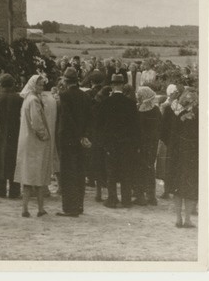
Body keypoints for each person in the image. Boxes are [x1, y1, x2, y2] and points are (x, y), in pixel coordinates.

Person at [98, 73, 140, 209]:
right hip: (127, 144)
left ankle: (112, 199)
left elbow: (101, 125)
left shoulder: (105, 103)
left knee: (111, 172)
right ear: (123, 85)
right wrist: (135, 144)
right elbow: (135, 127)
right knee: (126, 172)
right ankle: (126, 200)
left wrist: (104, 143)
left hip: (111, 144)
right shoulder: (131, 104)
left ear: (111, 85)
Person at [13, 74, 52, 217]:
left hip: (27, 140)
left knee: (28, 176)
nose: (41, 87)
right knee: (38, 175)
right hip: (35, 143)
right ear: (33, 85)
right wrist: (45, 135)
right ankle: (40, 208)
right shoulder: (34, 100)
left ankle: (25, 208)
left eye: (42, 85)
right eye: (39, 85)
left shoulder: (27, 99)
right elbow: (36, 122)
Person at [56, 67, 92, 217]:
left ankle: (70, 208)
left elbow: (67, 119)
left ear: (65, 81)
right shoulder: (85, 96)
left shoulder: (64, 96)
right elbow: (89, 117)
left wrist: (77, 136)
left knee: (68, 173)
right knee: (79, 172)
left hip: (68, 139)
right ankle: (79, 205)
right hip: (82, 140)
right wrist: (84, 136)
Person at [166, 88, 198, 228]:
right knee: (190, 187)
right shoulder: (197, 113)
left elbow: (167, 132)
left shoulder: (174, 112)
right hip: (191, 154)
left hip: (176, 154)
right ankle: (187, 219)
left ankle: (178, 218)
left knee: (177, 185)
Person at [0, 73, 22, 199]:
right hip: (15, 134)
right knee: (14, 161)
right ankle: (14, 190)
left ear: (1, 84)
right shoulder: (19, 98)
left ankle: (0, 190)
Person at [133, 86, 162, 206]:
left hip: (141, 144)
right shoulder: (156, 110)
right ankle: (151, 196)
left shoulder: (139, 110)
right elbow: (160, 127)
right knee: (150, 168)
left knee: (140, 168)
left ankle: (140, 195)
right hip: (153, 143)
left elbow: (136, 128)